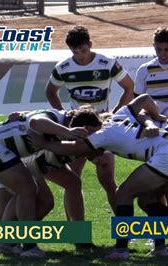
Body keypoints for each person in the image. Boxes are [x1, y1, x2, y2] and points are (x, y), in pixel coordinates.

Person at [34, 94, 168, 259]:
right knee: (155, 199)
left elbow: (74, 147)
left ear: (86, 129)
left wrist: (44, 145)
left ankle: (122, 250)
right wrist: (156, 116)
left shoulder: (100, 134)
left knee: (124, 193)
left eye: (79, 132)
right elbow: (144, 99)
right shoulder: (119, 115)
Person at [0, 108, 88, 257]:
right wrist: (68, 132)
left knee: (44, 201)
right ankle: (25, 245)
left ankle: (9, 241)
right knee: (26, 191)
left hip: (9, 154)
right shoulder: (55, 118)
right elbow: (35, 121)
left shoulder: (60, 121)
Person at [45, 25, 134, 212]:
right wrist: (65, 116)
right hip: (76, 131)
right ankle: (75, 234)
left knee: (108, 181)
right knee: (72, 182)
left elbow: (129, 87)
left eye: (83, 50)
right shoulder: (63, 67)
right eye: (75, 52)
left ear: (90, 44)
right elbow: (50, 91)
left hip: (102, 128)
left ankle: (123, 232)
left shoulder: (108, 63)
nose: (80, 55)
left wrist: (115, 114)